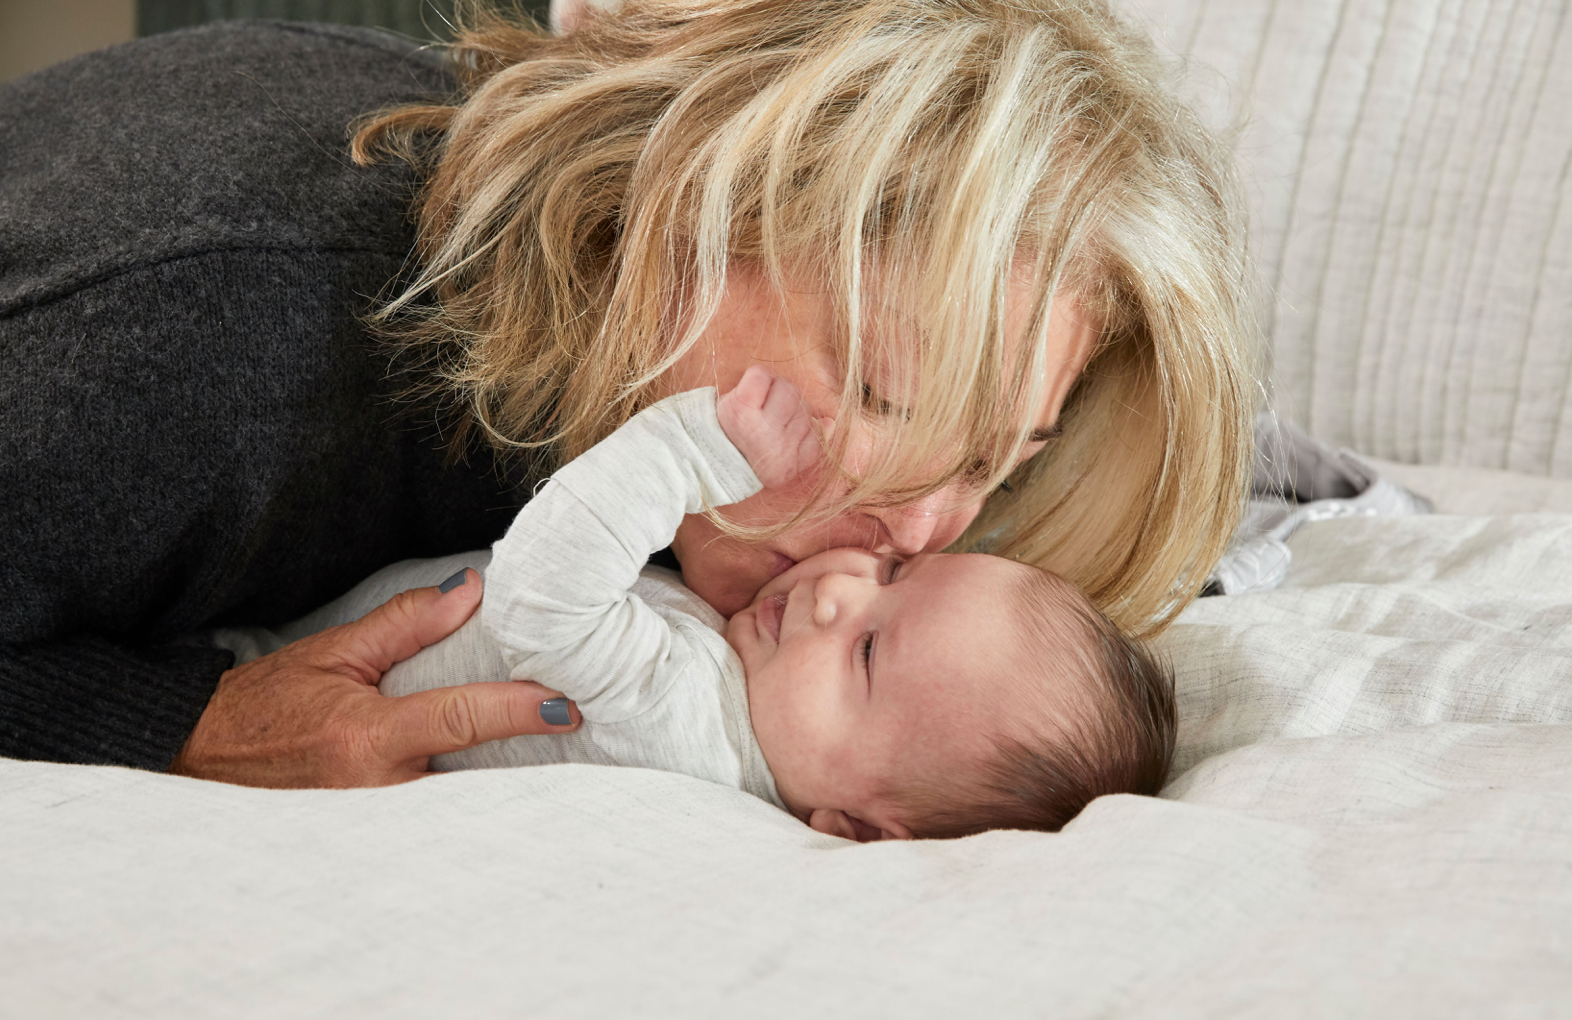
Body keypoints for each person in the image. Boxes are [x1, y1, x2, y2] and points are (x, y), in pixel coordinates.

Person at [0, 0, 1254, 787]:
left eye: (999, 456)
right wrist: (173, 719)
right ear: (679, 222)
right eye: (881, 390)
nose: (920, 535)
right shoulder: (212, 335)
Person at [216, 367, 1174, 839]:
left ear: (854, 828)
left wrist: (692, 453)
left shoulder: (679, 724)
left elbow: (544, 587)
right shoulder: (758, 699)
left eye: (870, 656)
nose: (842, 586)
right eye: (895, 579)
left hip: (264, 663)